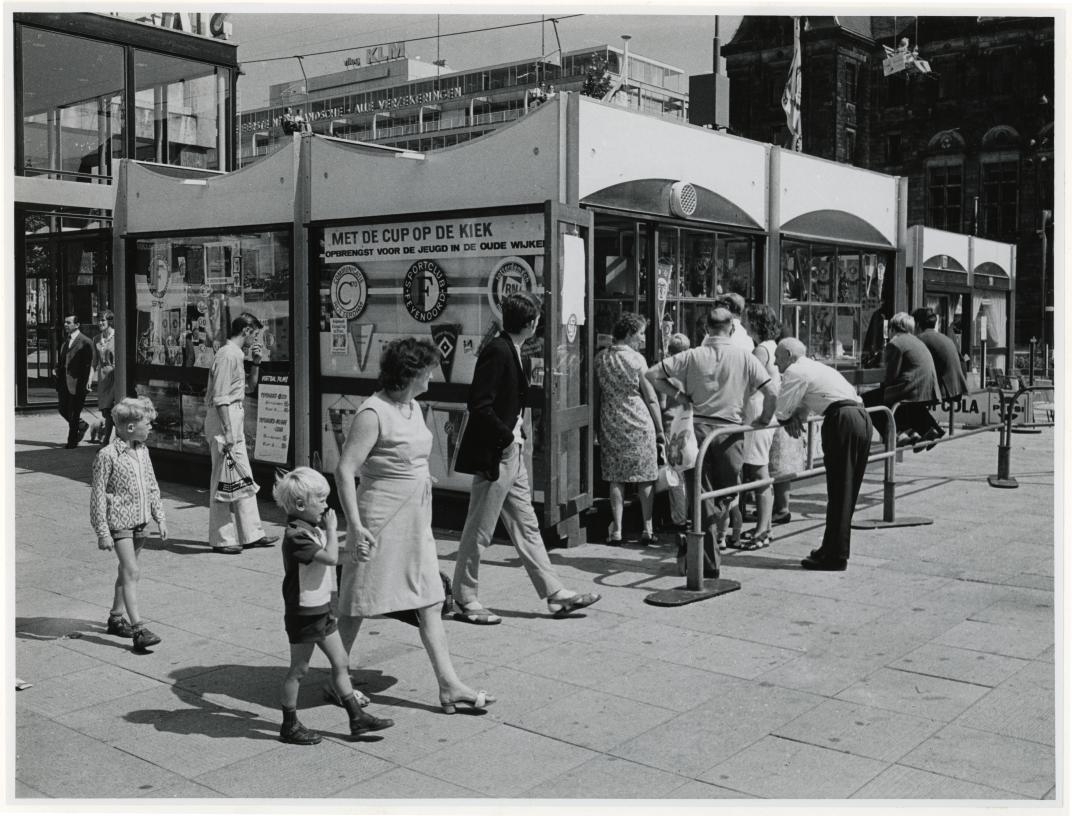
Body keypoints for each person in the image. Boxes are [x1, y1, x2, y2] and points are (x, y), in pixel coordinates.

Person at [335, 338, 494, 713]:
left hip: (416, 519)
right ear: (411, 374)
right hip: (381, 520)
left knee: (431, 599)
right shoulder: (373, 413)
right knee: (357, 602)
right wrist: (355, 527)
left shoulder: (411, 406)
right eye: (429, 369)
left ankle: (449, 684)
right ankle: (336, 679)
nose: (434, 375)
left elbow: (409, 454)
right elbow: (345, 471)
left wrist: (420, 476)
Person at [452, 292, 601, 624]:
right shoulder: (498, 351)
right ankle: (464, 596)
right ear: (532, 323)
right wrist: (506, 439)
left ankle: (554, 593)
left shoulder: (509, 348)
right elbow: (479, 405)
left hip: (512, 451)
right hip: (501, 453)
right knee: (480, 529)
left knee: (527, 526)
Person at [273, 467, 394, 745]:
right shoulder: (295, 536)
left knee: (340, 663)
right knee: (299, 670)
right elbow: (328, 558)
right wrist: (333, 531)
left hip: (322, 609)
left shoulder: (309, 530)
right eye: (322, 500)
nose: (327, 506)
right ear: (301, 505)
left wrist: (353, 554)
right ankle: (289, 724)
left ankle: (356, 718)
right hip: (304, 613)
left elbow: (332, 556)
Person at [646, 307, 777, 561]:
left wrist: (681, 396)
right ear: (731, 328)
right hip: (729, 431)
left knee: (702, 493)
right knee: (726, 491)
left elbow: (652, 374)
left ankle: (702, 546)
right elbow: (771, 392)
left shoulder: (693, 355)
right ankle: (707, 558)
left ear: (707, 328)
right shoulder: (745, 357)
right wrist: (762, 419)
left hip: (698, 430)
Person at [773, 338, 872, 571]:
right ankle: (831, 548)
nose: (776, 364)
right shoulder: (816, 367)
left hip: (842, 420)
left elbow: (781, 408)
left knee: (839, 490)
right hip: (860, 416)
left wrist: (788, 418)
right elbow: (805, 401)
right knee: (846, 491)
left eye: (778, 358)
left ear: (788, 354)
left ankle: (835, 555)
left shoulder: (796, 370)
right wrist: (796, 413)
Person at [90, 397, 167, 651]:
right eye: (148, 423)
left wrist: (159, 516)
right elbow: (98, 495)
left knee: (125, 571)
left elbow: (152, 485)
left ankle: (115, 617)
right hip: (119, 523)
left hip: (140, 522)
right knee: (132, 571)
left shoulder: (143, 451)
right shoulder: (107, 455)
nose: (151, 428)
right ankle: (139, 630)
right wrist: (103, 531)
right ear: (131, 427)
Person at [204, 312, 277, 554]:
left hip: (234, 416)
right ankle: (222, 538)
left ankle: (251, 533)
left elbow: (249, 387)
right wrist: (227, 431)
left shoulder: (235, 355)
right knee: (223, 478)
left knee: (242, 477)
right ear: (246, 331)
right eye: (254, 334)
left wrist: (256, 363)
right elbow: (220, 396)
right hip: (225, 420)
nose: (254, 339)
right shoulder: (227, 354)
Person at [595, 313, 663, 545]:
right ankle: (647, 527)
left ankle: (617, 530)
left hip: (611, 418)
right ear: (629, 334)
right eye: (640, 333)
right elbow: (651, 396)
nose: (643, 339)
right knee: (645, 476)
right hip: (638, 419)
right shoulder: (637, 360)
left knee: (616, 478)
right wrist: (660, 428)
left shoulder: (601, 358)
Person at [734, 304, 783, 550]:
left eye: (747, 319)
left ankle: (763, 529)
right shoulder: (771, 347)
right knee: (757, 469)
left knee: (758, 470)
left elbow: (752, 382)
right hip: (762, 412)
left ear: (754, 323)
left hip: (757, 412)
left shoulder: (761, 350)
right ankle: (765, 526)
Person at [862, 312, 942, 446]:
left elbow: (891, 375)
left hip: (911, 386)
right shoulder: (916, 340)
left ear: (892, 328)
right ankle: (917, 432)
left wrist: (882, 387)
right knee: (903, 405)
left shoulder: (895, 343)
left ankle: (895, 435)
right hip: (927, 386)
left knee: (868, 400)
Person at [913, 305, 969, 441]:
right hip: (957, 386)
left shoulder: (921, 339)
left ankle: (926, 430)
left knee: (905, 400)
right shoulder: (944, 337)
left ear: (917, 324)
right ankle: (927, 430)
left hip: (946, 389)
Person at [661, 332, 692, 531]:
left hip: (671, 426)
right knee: (688, 470)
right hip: (688, 423)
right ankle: (691, 513)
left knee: (675, 474)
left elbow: (663, 404)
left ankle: (679, 518)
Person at [55, 314, 94, 448]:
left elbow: (88, 366)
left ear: (77, 325)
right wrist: (57, 369)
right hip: (64, 383)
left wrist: (85, 384)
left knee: (74, 411)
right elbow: (62, 360)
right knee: (62, 409)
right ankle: (82, 425)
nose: (65, 325)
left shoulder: (85, 341)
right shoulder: (66, 341)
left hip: (78, 383)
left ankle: (71, 442)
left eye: (68, 323)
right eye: (65, 322)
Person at [91, 310, 117, 444]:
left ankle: (107, 440)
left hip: (115, 376)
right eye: (98, 320)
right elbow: (94, 362)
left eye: (103, 320)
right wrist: (89, 379)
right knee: (106, 412)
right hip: (103, 378)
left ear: (110, 322)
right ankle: (108, 439)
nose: (100, 323)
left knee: (113, 410)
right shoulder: (96, 339)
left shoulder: (117, 337)